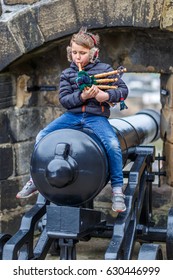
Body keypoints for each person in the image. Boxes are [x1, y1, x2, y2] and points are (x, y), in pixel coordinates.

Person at [16, 27, 128, 212]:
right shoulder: (68, 74)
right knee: (42, 135)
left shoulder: (105, 70)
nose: (78, 57)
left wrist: (104, 96)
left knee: (113, 145)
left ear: (94, 53)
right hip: (72, 116)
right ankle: (34, 180)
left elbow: (123, 91)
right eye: (74, 52)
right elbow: (65, 100)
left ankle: (117, 190)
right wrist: (82, 97)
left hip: (95, 117)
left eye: (82, 53)